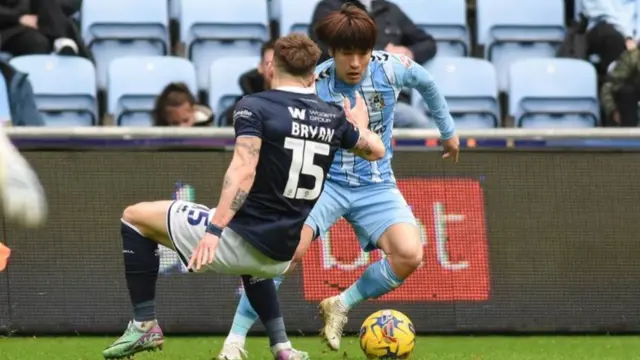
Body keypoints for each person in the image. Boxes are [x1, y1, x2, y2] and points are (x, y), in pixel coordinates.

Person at [102, 33, 386, 360]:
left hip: (238, 242)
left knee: (135, 217)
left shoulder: (255, 106)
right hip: (283, 254)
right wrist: (359, 126)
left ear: (270, 67)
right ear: (312, 75)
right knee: (257, 244)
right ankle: (282, 348)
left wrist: (214, 230)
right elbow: (375, 150)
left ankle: (143, 323)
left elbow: (243, 170)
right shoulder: (333, 117)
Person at [217, 4, 459, 359]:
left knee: (409, 254)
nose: (356, 62)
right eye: (347, 54)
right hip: (323, 186)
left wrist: (448, 132)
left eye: (362, 53)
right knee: (282, 255)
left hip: (376, 184)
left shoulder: (391, 69)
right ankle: (235, 341)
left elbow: (428, 83)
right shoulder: (316, 83)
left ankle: (340, 303)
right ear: (332, 51)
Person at [309, 0, 438, 129]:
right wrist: (383, 55)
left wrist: (408, 52)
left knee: (417, 122)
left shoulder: (390, 9)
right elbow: (320, 47)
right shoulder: (329, 7)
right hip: (344, 95)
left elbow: (428, 43)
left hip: (387, 99)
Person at [583, 0, 640, 80]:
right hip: (603, 25)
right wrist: (627, 36)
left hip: (632, 32)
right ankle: (618, 81)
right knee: (614, 39)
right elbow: (603, 13)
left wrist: (637, 37)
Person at [223, 39, 276, 125]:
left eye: (279, 64)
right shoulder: (242, 110)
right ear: (260, 67)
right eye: (269, 64)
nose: (274, 69)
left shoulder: (300, 100)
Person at [601, 46, 640, 126]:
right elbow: (609, 86)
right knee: (626, 91)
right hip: (628, 108)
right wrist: (612, 110)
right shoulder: (630, 58)